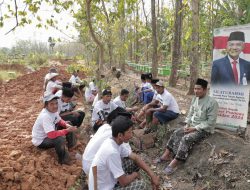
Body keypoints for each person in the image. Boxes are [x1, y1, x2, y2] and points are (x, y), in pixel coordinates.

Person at [153, 78, 218, 175]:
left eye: (198, 89)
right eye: (195, 89)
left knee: (186, 138)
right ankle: (166, 155)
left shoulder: (212, 103)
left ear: (205, 90)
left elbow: (211, 122)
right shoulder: (194, 99)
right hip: (191, 126)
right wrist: (187, 124)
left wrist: (194, 128)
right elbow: (190, 114)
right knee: (176, 132)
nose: (196, 91)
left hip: (203, 129)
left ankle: (175, 163)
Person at [88, 116, 160, 190]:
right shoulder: (111, 151)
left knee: (133, 162)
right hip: (104, 188)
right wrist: (135, 175)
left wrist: (152, 175)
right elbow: (124, 182)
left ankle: (130, 178)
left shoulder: (115, 142)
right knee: (141, 185)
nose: (131, 135)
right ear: (120, 135)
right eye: (129, 132)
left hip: (110, 179)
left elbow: (135, 157)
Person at [31, 94, 77, 164]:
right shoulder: (45, 116)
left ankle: (71, 147)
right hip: (41, 141)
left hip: (48, 133)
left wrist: (67, 125)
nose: (55, 106)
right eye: (51, 104)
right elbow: (51, 135)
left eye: (56, 103)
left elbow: (59, 120)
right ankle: (63, 160)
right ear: (46, 105)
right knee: (59, 139)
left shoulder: (53, 111)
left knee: (69, 123)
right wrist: (67, 130)